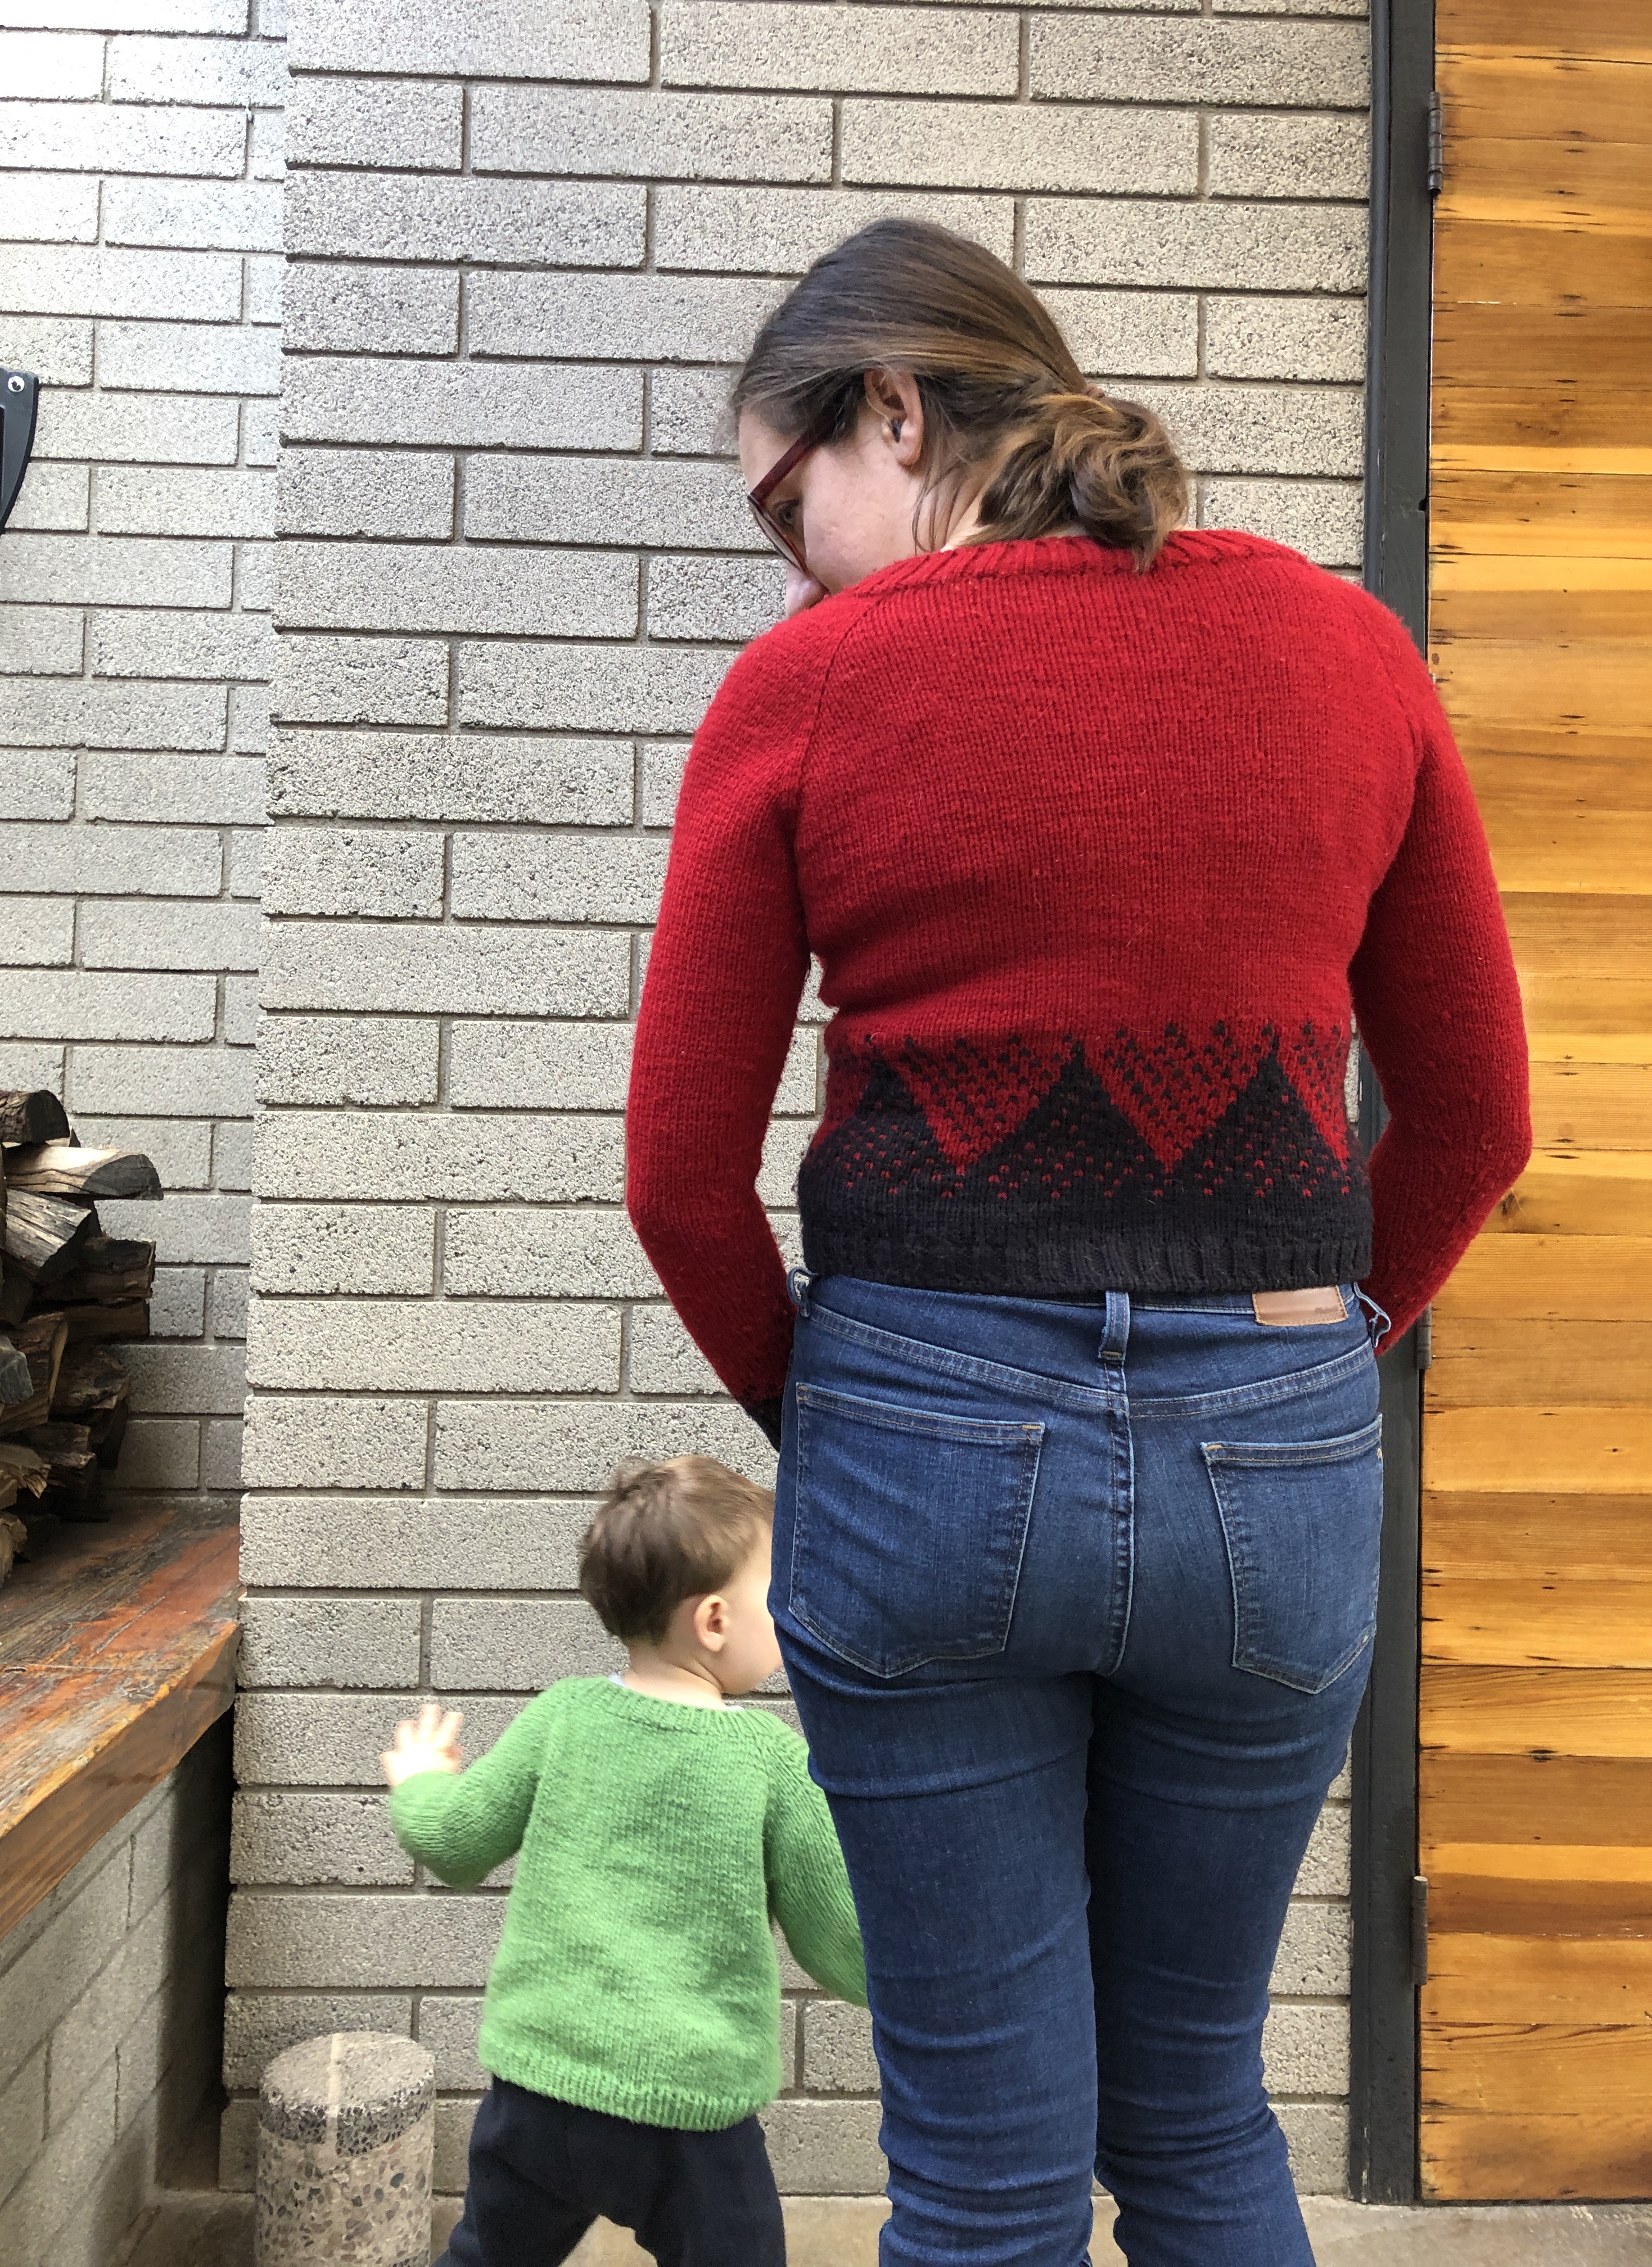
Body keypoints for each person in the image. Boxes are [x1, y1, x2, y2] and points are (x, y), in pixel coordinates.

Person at [625, 219, 1531, 2267]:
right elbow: (1475, 1118)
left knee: (983, 2172)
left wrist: (856, 1414)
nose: (792, 562)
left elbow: (682, 1178)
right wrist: (1307, 1355)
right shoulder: (1348, 649)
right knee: (1201, 2121)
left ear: (894, 408)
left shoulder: (808, 688)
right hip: (1276, 1466)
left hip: (918, 1459)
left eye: (791, 503)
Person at [382, 1455, 866, 2267]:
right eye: (776, 1598)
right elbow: (843, 1947)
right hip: (688, 2116)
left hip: (536, 2093)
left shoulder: (562, 1718)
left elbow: (455, 1842)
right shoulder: (770, 1762)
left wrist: (422, 1783)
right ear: (714, 1621)